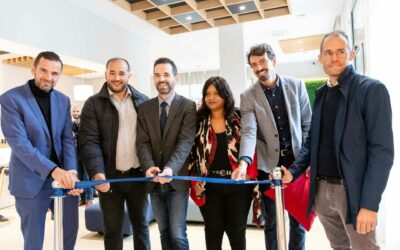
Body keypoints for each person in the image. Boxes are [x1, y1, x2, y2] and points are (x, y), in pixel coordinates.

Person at [282, 30, 394, 250]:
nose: (334, 58)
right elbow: (313, 140)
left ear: (351, 54)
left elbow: (382, 152)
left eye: (340, 51)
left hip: (353, 192)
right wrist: (294, 171)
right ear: (320, 57)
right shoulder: (322, 93)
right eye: (328, 52)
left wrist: (370, 205)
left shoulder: (372, 90)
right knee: (338, 246)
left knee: (365, 248)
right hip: (322, 191)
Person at [233, 43, 312, 250]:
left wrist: (307, 160)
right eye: (254, 64)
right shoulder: (248, 96)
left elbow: (307, 126)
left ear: (273, 61)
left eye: (263, 62)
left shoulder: (297, 86)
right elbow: (249, 132)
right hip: (268, 166)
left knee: (297, 222)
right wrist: (243, 163)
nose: (259, 67)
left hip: (297, 162)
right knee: (272, 223)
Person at [0, 51, 81, 250]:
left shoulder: (63, 100)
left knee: (69, 234)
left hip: (65, 180)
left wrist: (71, 171)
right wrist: (55, 170)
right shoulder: (11, 99)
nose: (48, 77)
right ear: (33, 69)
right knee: (33, 241)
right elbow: (20, 144)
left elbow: (67, 139)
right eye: (43, 70)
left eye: (55, 73)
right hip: (31, 181)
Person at [79, 58, 150, 250]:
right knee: (112, 228)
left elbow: (150, 140)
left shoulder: (143, 101)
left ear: (129, 75)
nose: (116, 78)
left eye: (121, 73)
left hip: (138, 177)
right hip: (108, 178)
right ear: (105, 74)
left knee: (141, 226)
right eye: (112, 73)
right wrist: (97, 172)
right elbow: (89, 141)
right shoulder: (93, 104)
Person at [189, 76, 257, 250]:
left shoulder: (240, 117)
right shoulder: (197, 121)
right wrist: (195, 181)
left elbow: (253, 144)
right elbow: (190, 155)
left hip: (239, 185)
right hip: (209, 185)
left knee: (236, 231)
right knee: (213, 230)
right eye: (207, 93)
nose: (211, 97)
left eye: (216, 93)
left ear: (225, 95)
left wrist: (249, 171)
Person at [136, 57, 196, 250]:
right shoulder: (145, 108)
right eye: (157, 75)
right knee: (163, 233)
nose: (162, 79)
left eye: (166, 75)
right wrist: (148, 166)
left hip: (176, 180)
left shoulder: (187, 106)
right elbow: (142, 142)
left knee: (177, 234)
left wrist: (170, 168)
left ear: (175, 77)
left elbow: (185, 142)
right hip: (154, 183)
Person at [71, 104, 93, 207]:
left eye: (77, 111)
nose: (75, 113)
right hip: (76, 154)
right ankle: (83, 198)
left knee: (87, 177)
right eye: (74, 111)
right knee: (79, 176)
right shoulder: (70, 124)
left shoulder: (85, 123)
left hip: (86, 154)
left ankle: (89, 199)